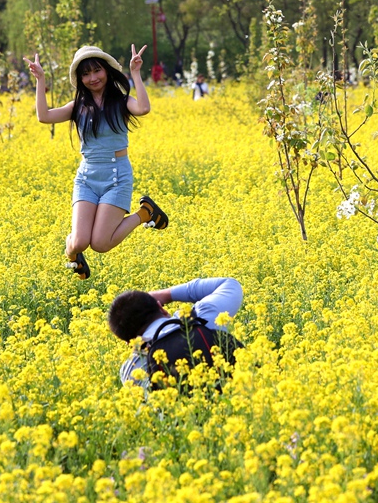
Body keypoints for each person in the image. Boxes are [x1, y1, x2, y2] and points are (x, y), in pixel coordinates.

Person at [25, 45, 169, 281]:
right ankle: (72, 255)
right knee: (79, 242)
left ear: (107, 71)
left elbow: (143, 108)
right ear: (80, 79)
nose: (92, 78)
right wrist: (40, 79)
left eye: (97, 71)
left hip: (116, 177)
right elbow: (44, 116)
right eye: (86, 74)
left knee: (101, 244)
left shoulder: (121, 102)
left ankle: (145, 213)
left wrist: (136, 73)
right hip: (87, 178)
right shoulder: (77, 107)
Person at [109, 277, 244, 390]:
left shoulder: (132, 370)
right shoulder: (201, 317)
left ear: (130, 344)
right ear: (161, 308)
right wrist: (167, 295)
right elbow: (230, 285)